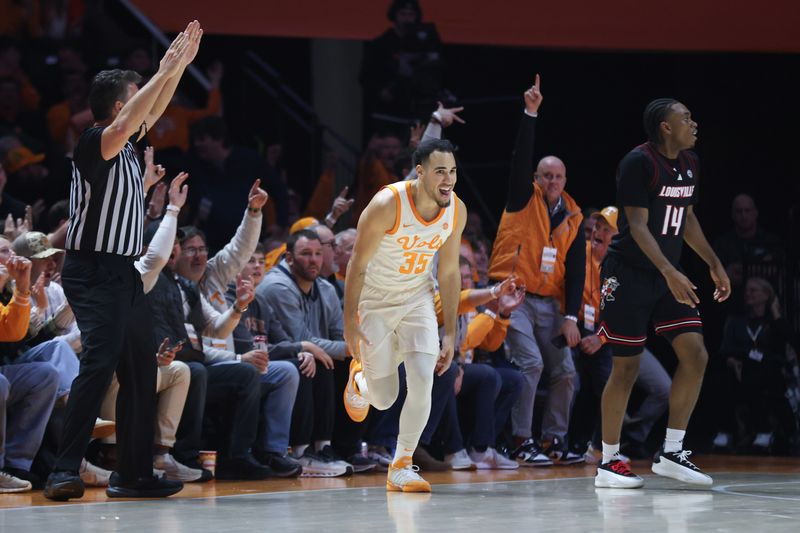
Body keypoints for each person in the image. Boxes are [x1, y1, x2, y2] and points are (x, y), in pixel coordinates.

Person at [44, 21, 204, 501]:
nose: (145, 107)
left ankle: (132, 474)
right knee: (99, 362)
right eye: (135, 99)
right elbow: (129, 119)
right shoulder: (97, 141)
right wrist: (165, 67)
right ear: (119, 106)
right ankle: (62, 470)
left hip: (123, 273)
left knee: (140, 368)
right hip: (91, 271)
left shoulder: (130, 148)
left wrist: (176, 70)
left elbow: (153, 105)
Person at [594, 98, 731, 489]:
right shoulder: (638, 162)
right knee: (626, 367)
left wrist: (712, 262)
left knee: (696, 354)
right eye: (685, 117)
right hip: (629, 273)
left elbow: (685, 217)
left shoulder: (690, 163)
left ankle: (672, 451)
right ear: (665, 127)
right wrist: (670, 270)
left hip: (666, 274)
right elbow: (636, 226)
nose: (693, 123)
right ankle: (609, 460)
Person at [343, 137, 467, 492]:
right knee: (384, 398)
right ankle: (360, 381)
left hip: (416, 298)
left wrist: (450, 334)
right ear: (420, 172)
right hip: (376, 301)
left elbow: (448, 272)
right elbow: (357, 264)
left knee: (424, 377)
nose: (448, 179)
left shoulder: (456, 210)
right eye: (441, 171)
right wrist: (349, 320)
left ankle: (402, 464)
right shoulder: (387, 204)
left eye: (453, 171)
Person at [488, 76, 585, 465]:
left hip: (550, 304)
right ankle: (521, 440)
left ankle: (553, 440)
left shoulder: (575, 216)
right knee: (531, 363)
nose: (552, 181)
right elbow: (519, 158)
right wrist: (531, 113)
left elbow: (576, 271)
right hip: (513, 295)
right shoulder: (520, 198)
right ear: (536, 178)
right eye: (546, 175)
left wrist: (572, 316)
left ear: (565, 180)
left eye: (558, 176)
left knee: (565, 372)